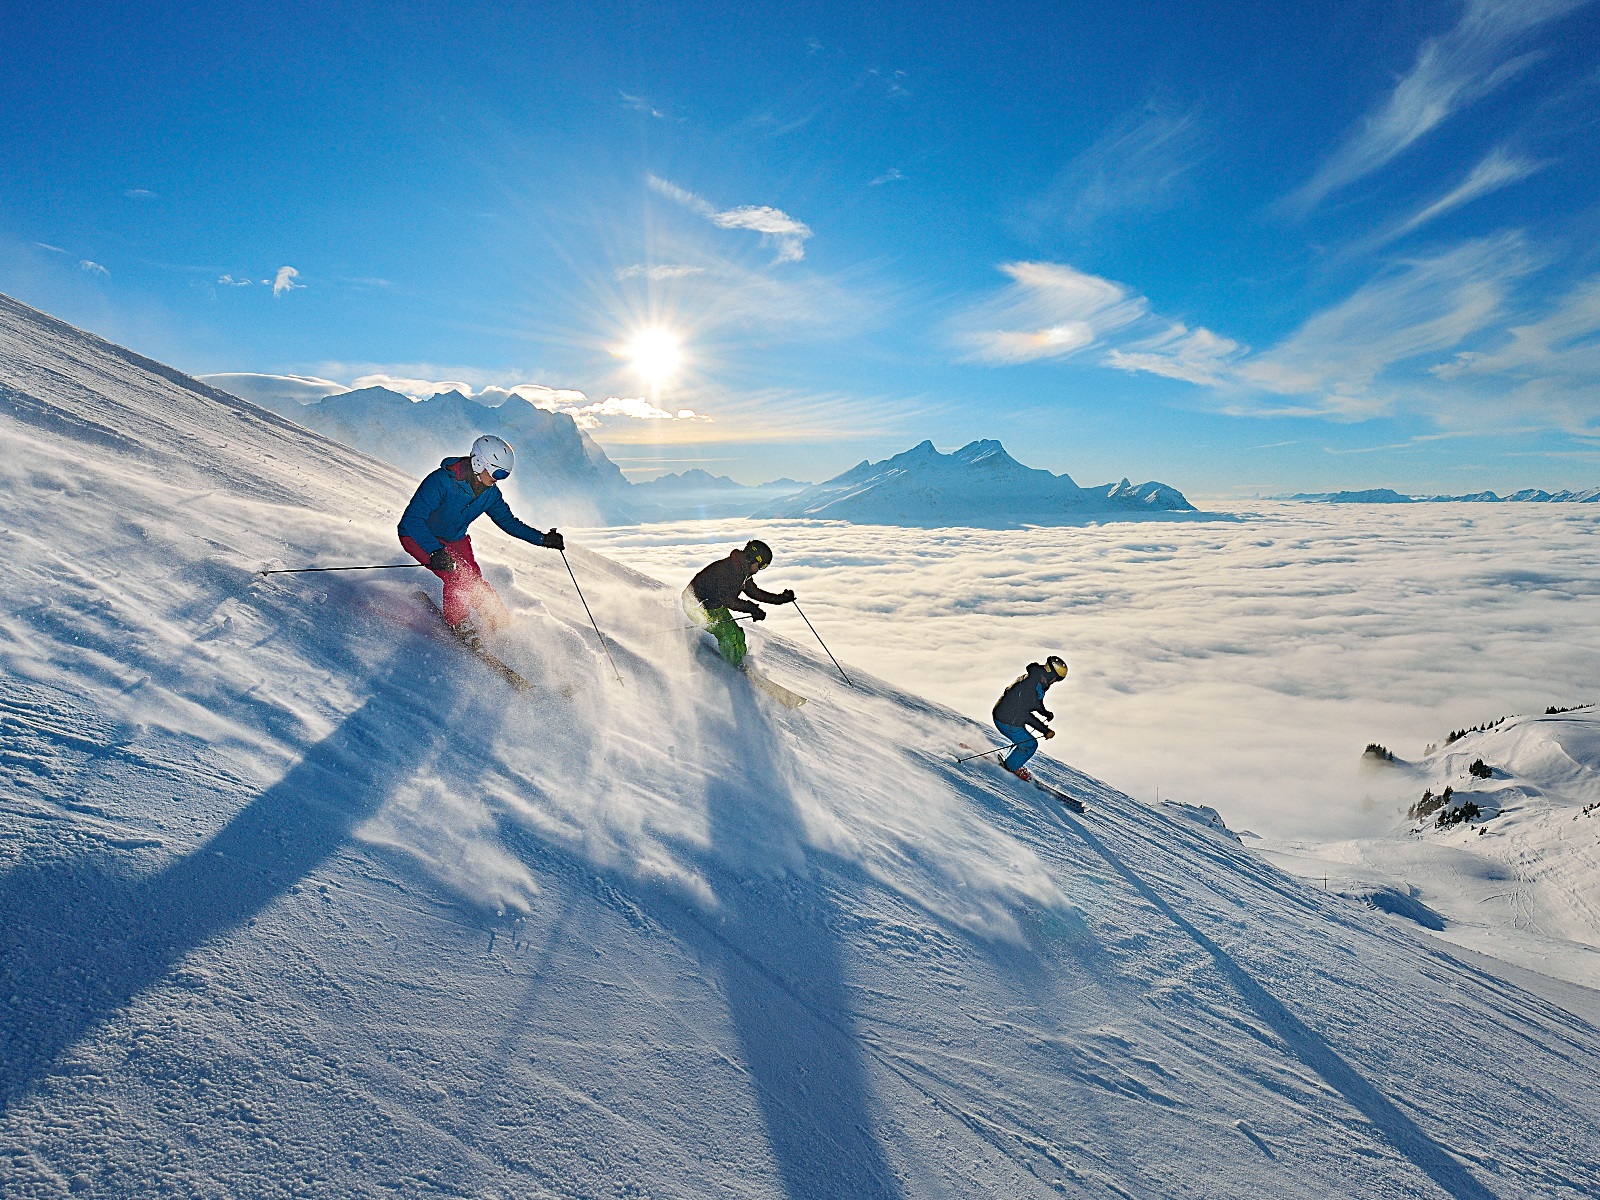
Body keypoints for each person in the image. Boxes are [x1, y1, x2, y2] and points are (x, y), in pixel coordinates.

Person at [398, 434, 564, 645]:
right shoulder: (441, 482)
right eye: (497, 473)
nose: (498, 479)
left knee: (475, 581)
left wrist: (543, 539)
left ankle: (500, 624)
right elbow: (412, 520)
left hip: (455, 539)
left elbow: (509, 522)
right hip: (418, 536)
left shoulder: (490, 494)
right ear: (479, 463)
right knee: (457, 576)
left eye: (504, 475)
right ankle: (460, 623)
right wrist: (434, 550)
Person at [683, 539, 795, 668]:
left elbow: (755, 593)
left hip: (714, 605)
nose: (759, 570)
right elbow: (729, 600)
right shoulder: (729, 571)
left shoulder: (742, 571)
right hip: (695, 606)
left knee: (738, 633)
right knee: (728, 635)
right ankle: (733, 667)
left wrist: (781, 598)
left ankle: (740, 661)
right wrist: (753, 609)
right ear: (753, 558)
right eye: (761, 565)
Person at [991, 655, 1069, 781]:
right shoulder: (1030, 687)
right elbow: (1025, 715)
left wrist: (1045, 713)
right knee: (1030, 745)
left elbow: (1035, 702)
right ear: (1051, 675)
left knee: (1024, 741)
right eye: (1056, 679)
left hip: (1007, 715)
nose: (1055, 682)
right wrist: (1045, 731)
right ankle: (1009, 767)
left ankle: (1011, 762)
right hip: (1006, 720)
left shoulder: (1036, 680)